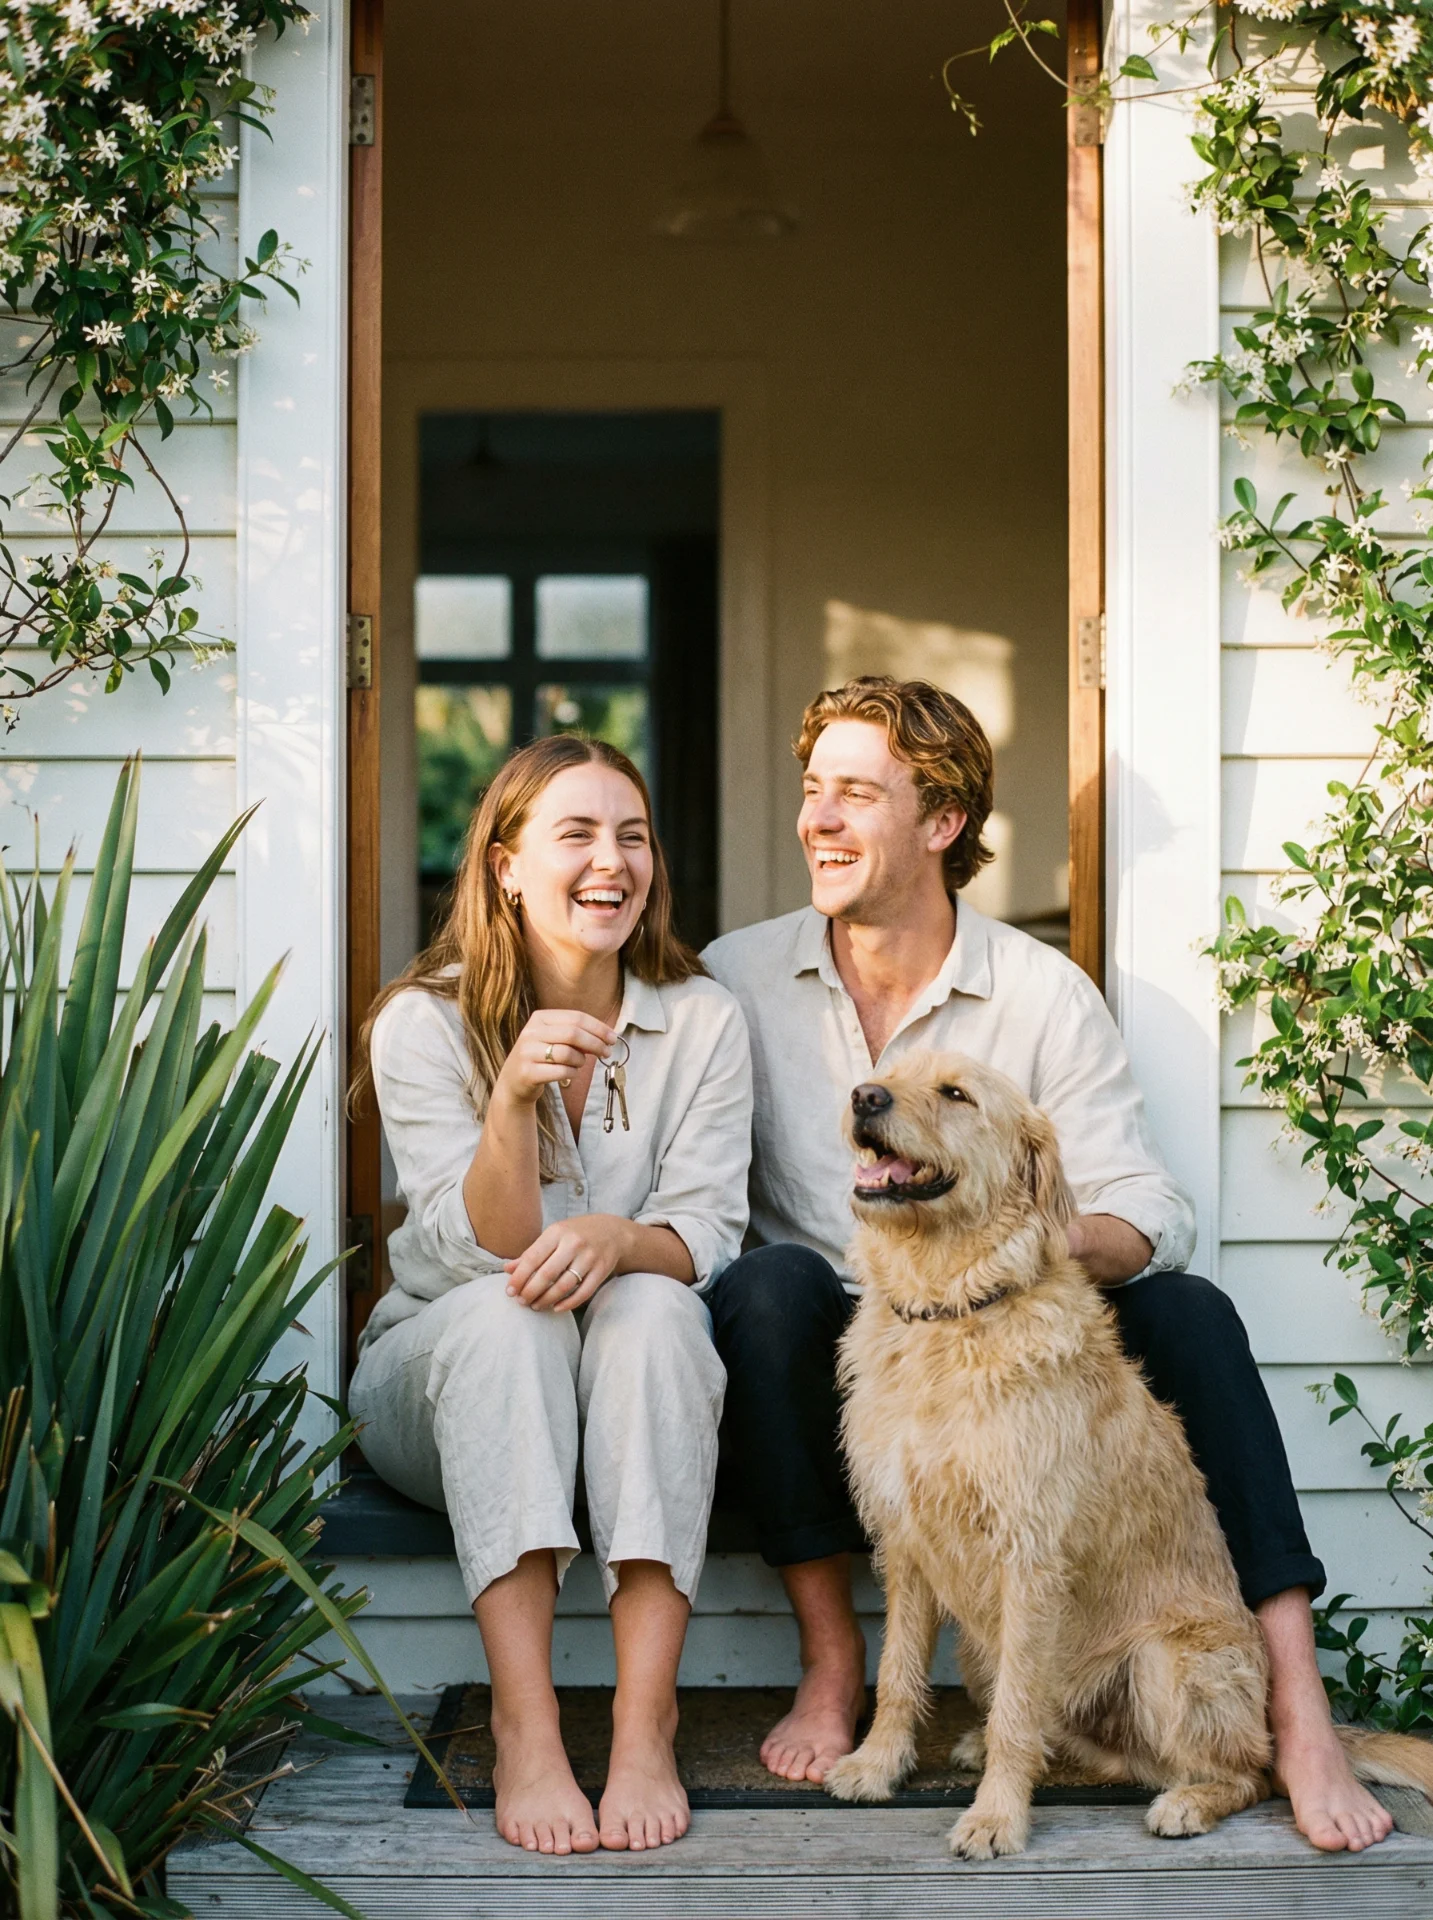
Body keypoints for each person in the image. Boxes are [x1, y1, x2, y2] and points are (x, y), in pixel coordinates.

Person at [703, 674, 1394, 1855]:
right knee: (763, 1291)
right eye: (812, 790)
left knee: (1187, 1311)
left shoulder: (1038, 993)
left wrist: (1003, 1248)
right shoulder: (734, 976)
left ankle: (1294, 1701)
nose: (816, 818)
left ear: (940, 823)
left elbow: (1142, 1207)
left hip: (1003, 1317)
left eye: (854, 795)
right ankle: (836, 1669)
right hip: (840, 1324)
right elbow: (694, 1194)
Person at [349, 735, 751, 1858]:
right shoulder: (422, 1023)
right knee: (504, 1317)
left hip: (622, 1375)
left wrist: (622, 1238)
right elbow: (479, 1254)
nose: (609, 862)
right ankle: (525, 1726)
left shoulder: (702, 1019)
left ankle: (642, 1720)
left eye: (630, 835)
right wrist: (514, 1100)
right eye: (573, 834)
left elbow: (708, 1231)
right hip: (436, 1382)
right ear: (503, 865)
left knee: (659, 1307)